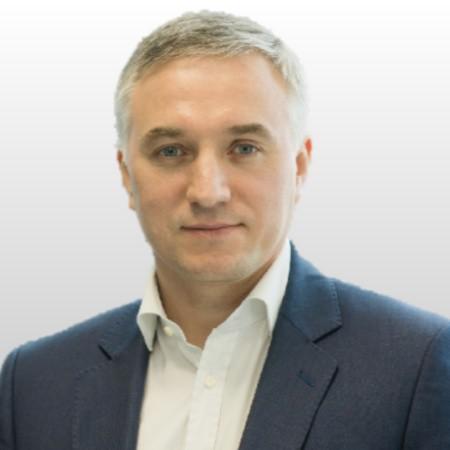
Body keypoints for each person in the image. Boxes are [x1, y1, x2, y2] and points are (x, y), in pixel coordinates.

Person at [1, 10, 449, 450]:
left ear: (299, 166)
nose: (208, 192)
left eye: (244, 148)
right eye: (171, 151)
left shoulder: (417, 365)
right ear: (126, 175)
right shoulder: (34, 385)